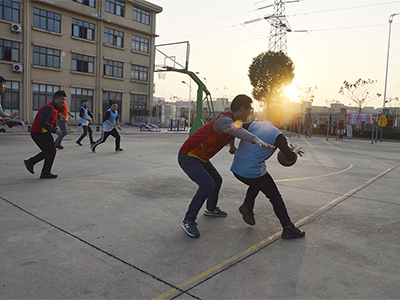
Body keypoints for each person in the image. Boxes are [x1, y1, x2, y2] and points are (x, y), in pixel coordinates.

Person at [178, 94, 275, 238]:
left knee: (217, 180)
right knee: (207, 184)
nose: (250, 113)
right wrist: (255, 139)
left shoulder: (234, 122)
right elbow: (234, 130)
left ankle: (210, 209)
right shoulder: (224, 119)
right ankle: (188, 220)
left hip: (201, 157)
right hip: (188, 156)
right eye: (250, 109)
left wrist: (232, 146)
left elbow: (231, 133)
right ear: (242, 108)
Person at [230, 105, 305, 239]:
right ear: (280, 118)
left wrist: (232, 146)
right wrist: (294, 151)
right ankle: (288, 228)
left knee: (258, 181)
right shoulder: (278, 135)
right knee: (275, 197)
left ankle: (247, 205)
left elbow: (232, 128)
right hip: (251, 171)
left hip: (236, 168)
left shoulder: (253, 124)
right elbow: (289, 157)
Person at [23, 90, 66, 179]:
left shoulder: (54, 108)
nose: (63, 102)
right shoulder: (48, 108)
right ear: (55, 99)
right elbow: (42, 121)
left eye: (64, 100)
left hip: (43, 132)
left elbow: (51, 119)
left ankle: (33, 164)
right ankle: (42, 171)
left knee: (50, 151)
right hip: (38, 132)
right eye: (62, 99)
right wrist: (54, 130)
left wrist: (54, 127)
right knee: (50, 151)